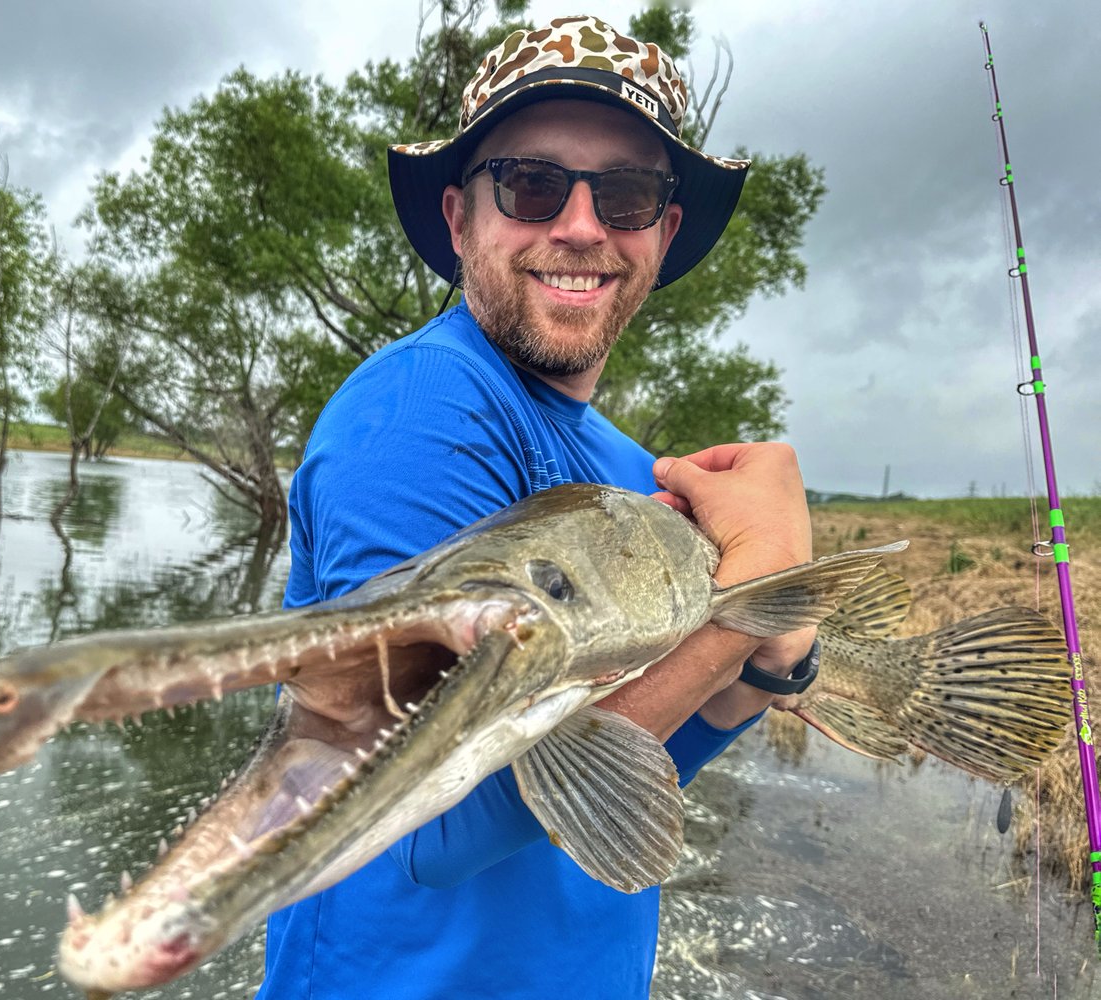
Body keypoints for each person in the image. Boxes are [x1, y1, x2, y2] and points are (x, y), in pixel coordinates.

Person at [257, 15, 816, 1000]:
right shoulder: (422, 407)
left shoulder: (627, 465)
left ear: (662, 230)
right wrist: (743, 597)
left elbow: (639, 752)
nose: (580, 226)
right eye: (531, 183)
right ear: (461, 216)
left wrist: (773, 651)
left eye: (628, 192)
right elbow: (426, 823)